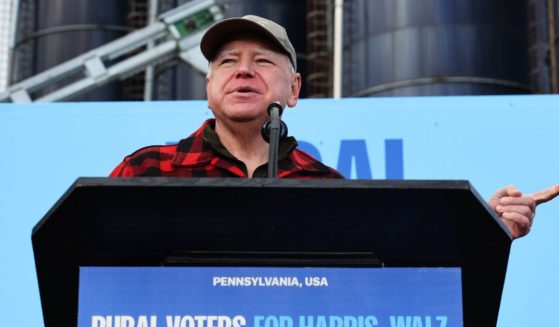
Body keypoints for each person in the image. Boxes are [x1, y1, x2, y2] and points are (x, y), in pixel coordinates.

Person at [110, 15, 559, 239]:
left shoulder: (326, 186)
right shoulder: (147, 169)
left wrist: (483, 227)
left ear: (294, 90)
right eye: (228, 62)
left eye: (263, 62)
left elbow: (383, 277)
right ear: (210, 87)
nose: (243, 72)